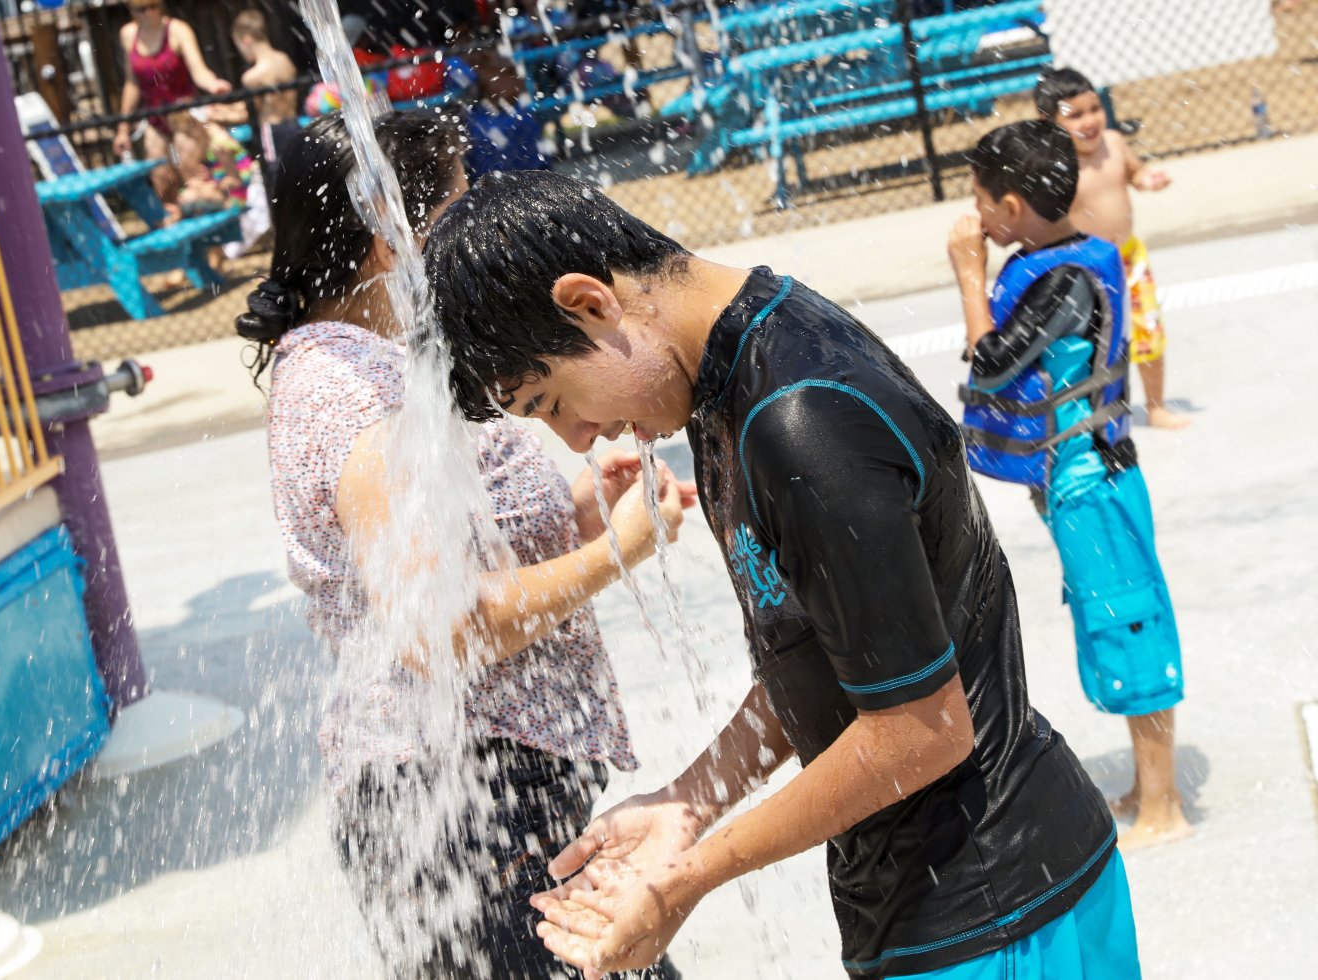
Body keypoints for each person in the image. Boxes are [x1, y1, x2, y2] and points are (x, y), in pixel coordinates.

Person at [424, 169, 1139, 978]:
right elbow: (831, 660)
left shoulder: (799, 418)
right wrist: (685, 804)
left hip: (997, 917)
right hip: (958, 903)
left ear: (590, 303)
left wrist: (688, 880)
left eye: (552, 401)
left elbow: (920, 728)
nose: (580, 439)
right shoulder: (723, 379)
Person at [235, 113, 690, 979]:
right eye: (450, 210)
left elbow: (450, 551)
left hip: (495, 792)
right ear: (383, 243)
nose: (470, 227)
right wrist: (615, 553)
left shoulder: (392, 358)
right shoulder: (348, 397)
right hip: (456, 805)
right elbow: (439, 630)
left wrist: (576, 513)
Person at [949, 119, 1191, 851]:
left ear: (1014, 207)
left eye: (981, 202)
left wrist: (965, 271)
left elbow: (989, 362)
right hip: (1078, 482)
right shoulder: (1066, 260)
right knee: (1109, 615)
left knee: (1128, 621)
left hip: (1095, 484)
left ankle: (1165, 805)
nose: (977, 219)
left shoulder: (1060, 279)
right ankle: (1148, 787)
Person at [1036, 67, 1190, 430]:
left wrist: (1146, 180)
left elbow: (1134, 172)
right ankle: (1087, 410)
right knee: (1087, 343)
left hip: (1129, 259)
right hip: (1083, 269)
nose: (1089, 121)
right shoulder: (1055, 163)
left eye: (1094, 109)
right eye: (1075, 115)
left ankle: (1155, 406)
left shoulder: (1114, 143)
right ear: (1049, 121)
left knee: (1147, 333)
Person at [114, 1, 231, 204]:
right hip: (155, 118)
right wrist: (123, 129)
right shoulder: (128, 34)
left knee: (193, 180)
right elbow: (131, 84)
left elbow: (198, 70)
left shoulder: (178, 30)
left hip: (183, 115)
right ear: (132, 11)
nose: (149, 13)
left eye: (154, 6)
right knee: (162, 184)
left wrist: (213, 84)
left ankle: (215, 222)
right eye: (142, 9)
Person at [229, 9, 301, 170]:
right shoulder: (284, 60)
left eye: (238, 46)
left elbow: (251, 112)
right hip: (293, 124)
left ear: (246, 39)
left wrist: (219, 115)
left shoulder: (252, 76)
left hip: (273, 132)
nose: (241, 52)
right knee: (297, 171)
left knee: (275, 176)